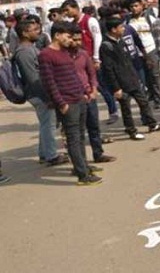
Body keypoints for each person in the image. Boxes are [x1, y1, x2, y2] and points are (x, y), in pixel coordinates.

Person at [38, 22, 102, 186]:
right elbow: (49, 82)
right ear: (57, 35)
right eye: (67, 36)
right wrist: (61, 103)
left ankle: (84, 166)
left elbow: (74, 75)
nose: (70, 40)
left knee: (80, 136)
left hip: (79, 98)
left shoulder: (65, 52)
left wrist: (85, 92)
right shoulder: (46, 55)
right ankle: (82, 175)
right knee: (73, 139)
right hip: (68, 103)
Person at [101, 18, 160, 139]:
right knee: (126, 108)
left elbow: (129, 60)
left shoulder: (121, 41)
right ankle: (131, 131)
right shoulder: (106, 46)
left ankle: (152, 124)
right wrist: (116, 88)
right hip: (121, 83)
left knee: (144, 102)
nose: (123, 29)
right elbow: (108, 69)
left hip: (132, 78)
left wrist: (136, 76)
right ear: (113, 29)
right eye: (121, 27)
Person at [13, 18, 69, 166]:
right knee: (49, 125)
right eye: (34, 30)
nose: (38, 32)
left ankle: (44, 153)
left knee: (46, 124)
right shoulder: (24, 52)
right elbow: (33, 78)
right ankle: (51, 156)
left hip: (41, 93)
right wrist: (48, 97)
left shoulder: (30, 47)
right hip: (39, 94)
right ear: (25, 33)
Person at [68, 26, 116, 162]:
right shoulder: (63, 57)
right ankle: (80, 163)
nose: (77, 42)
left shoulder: (83, 54)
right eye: (74, 39)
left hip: (89, 96)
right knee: (77, 134)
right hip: (74, 99)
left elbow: (91, 74)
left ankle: (98, 153)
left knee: (94, 126)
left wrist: (94, 89)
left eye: (79, 39)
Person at [127, 0, 160, 109]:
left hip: (151, 50)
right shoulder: (128, 21)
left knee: (154, 75)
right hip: (137, 53)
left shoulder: (150, 18)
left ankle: (158, 98)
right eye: (132, 6)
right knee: (144, 78)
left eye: (136, 6)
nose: (134, 8)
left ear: (142, 7)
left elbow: (158, 34)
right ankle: (150, 96)